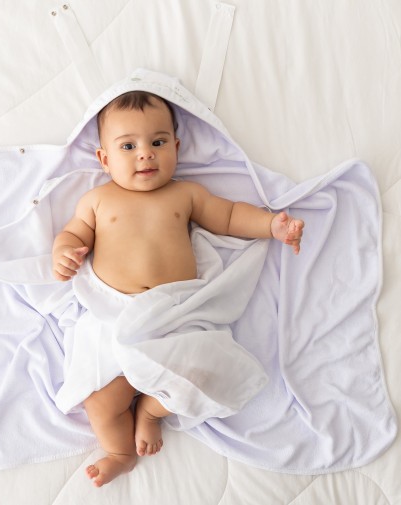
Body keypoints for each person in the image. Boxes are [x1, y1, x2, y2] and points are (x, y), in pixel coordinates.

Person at [52, 91, 304, 487]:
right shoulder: (97, 200)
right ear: (104, 158)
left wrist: (271, 225)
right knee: (100, 400)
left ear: (176, 147)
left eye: (158, 142)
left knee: (200, 375)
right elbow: (73, 233)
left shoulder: (184, 194)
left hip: (174, 315)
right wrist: (64, 253)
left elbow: (229, 216)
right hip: (116, 316)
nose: (145, 154)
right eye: (128, 146)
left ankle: (152, 411)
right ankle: (120, 453)